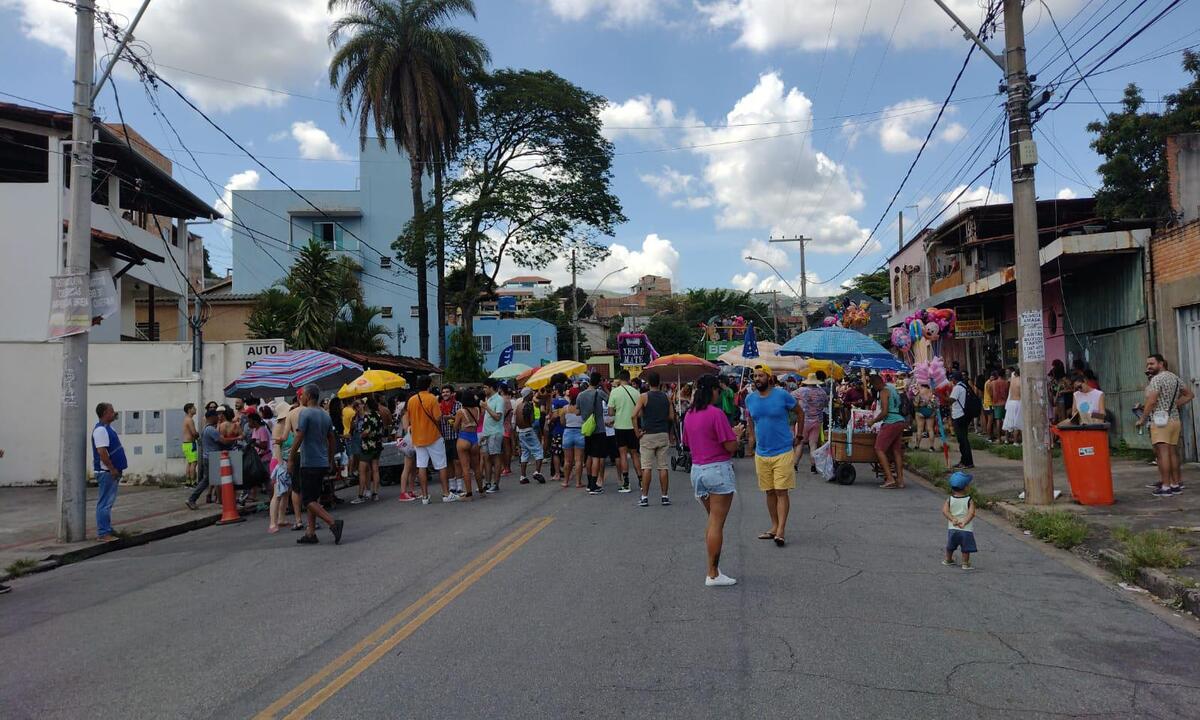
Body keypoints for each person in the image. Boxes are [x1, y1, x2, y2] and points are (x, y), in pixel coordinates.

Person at [683, 375, 741, 587]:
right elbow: (730, 447)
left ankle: (714, 569)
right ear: (713, 391)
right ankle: (713, 573)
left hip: (697, 470)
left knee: (712, 521)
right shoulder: (716, 414)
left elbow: (687, 442)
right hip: (717, 469)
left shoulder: (689, 414)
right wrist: (737, 435)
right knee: (717, 523)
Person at [744, 364, 796, 548]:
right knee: (769, 491)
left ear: (769, 377)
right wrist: (751, 436)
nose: (757, 378)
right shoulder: (750, 398)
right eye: (754, 375)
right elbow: (750, 418)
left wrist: (800, 435)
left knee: (781, 491)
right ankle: (774, 526)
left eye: (760, 375)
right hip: (762, 452)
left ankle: (781, 530)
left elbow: (799, 411)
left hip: (782, 450)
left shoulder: (782, 395)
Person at [289, 384, 344, 545]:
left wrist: (291, 458)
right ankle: (310, 532)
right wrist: (331, 458)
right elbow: (331, 438)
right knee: (313, 497)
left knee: (307, 500)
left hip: (309, 461)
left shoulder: (305, 413)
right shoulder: (325, 414)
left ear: (308, 396)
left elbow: (299, 437)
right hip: (321, 461)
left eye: (303, 395)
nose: (301, 398)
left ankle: (333, 522)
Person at [1138, 354, 1194, 497]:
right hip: (1174, 420)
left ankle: (1165, 487)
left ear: (1161, 363)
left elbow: (1151, 401)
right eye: (1147, 364)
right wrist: (1174, 405)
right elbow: (1189, 395)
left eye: (1152, 363)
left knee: (1162, 455)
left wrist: (1143, 418)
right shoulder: (1174, 378)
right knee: (1172, 453)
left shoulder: (1157, 379)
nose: (1149, 367)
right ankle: (1176, 484)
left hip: (1160, 421)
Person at [409, 375, 456, 503]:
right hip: (433, 436)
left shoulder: (411, 400)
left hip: (417, 438)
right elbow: (437, 417)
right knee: (441, 465)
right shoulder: (431, 399)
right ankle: (446, 494)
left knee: (422, 466)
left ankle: (425, 497)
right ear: (429, 385)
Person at [632, 371, 676, 507]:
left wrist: (637, 432)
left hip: (648, 434)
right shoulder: (666, 397)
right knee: (663, 467)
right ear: (660, 382)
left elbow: (633, 415)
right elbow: (671, 417)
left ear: (648, 383)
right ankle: (664, 496)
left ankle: (644, 497)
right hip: (662, 434)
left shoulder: (643, 397)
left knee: (646, 467)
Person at [90, 403, 127, 542]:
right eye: (112, 411)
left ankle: (107, 529)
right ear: (105, 413)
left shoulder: (106, 428)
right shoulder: (100, 431)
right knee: (104, 503)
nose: (114, 413)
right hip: (106, 472)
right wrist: (112, 469)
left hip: (110, 471)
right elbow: (102, 452)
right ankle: (103, 533)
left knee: (107, 503)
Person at [187, 409, 230, 511]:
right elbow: (223, 441)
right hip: (212, 457)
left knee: (214, 480)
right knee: (208, 480)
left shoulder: (206, 428)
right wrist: (236, 438)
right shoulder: (211, 430)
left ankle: (221, 500)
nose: (218, 418)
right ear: (211, 417)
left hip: (209, 457)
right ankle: (191, 499)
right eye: (216, 416)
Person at [870, 373, 908, 488]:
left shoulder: (883, 391)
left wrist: (873, 421)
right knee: (896, 451)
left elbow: (885, 411)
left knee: (879, 448)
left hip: (891, 422)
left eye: (873, 386)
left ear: (877, 384)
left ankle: (890, 478)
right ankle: (900, 480)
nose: (874, 389)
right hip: (900, 420)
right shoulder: (892, 387)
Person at [608, 370, 643, 493]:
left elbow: (610, 412)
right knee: (635, 454)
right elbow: (640, 413)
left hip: (620, 426)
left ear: (619, 378)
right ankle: (641, 481)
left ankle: (626, 483)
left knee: (623, 454)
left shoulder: (614, 392)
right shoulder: (636, 392)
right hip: (632, 427)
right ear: (629, 379)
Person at [577, 372, 609, 494]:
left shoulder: (580, 395)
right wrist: (605, 387)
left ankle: (590, 482)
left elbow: (578, 412)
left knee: (589, 456)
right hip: (599, 428)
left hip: (587, 429)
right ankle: (594, 485)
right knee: (597, 457)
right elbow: (610, 401)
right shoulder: (599, 393)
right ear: (599, 381)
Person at [942, 471, 978, 570]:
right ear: (966, 487)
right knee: (966, 547)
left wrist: (952, 519)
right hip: (966, 529)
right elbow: (972, 513)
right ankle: (965, 563)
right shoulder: (969, 500)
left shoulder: (950, 499)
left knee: (950, 545)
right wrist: (965, 522)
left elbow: (945, 511)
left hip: (952, 528)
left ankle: (948, 559)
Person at [352, 397, 384, 504]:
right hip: (377, 444)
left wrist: (361, 435)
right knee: (375, 469)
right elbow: (381, 429)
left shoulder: (366, 417)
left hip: (366, 446)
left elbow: (365, 431)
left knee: (362, 471)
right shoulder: (378, 415)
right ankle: (375, 493)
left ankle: (361, 495)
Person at [513, 387, 547, 485]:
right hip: (528, 430)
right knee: (538, 451)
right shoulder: (529, 405)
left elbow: (515, 420)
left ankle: (523, 476)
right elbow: (531, 420)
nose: (533, 395)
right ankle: (537, 472)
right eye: (531, 393)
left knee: (525, 453)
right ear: (528, 395)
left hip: (521, 431)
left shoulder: (519, 405)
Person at [796, 373, 828, 474]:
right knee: (813, 444)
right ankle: (813, 467)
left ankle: (794, 465)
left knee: (800, 443)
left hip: (803, 421)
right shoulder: (822, 392)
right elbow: (825, 404)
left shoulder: (801, 391)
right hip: (817, 421)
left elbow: (789, 397)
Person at [455, 390, 484, 498]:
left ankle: (469, 493)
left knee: (465, 468)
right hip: (474, 439)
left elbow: (456, 426)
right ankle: (481, 490)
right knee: (476, 467)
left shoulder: (460, 412)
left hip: (463, 438)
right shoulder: (477, 409)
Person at [480, 379, 506, 494]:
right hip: (487, 433)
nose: (483, 389)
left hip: (495, 433)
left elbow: (497, 417)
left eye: (485, 387)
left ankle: (496, 484)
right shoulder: (488, 399)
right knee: (486, 458)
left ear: (491, 388)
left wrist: (486, 407)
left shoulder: (499, 400)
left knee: (495, 457)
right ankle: (488, 483)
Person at [560, 387, 586, 489]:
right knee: (579, 460)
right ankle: (578, 482)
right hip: (580, 432)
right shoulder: (582, 408)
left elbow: (562, 422)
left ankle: (566, 481)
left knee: (567, 460)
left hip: (568, 432)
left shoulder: (565, 408)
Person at [949, 372, 975, 470]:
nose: (951, 381)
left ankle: (967, 462)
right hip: (964, 415)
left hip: (959, 416)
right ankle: (965, 461)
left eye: (952, 379)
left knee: (962, 440)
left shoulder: (957, 388)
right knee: (963, 439)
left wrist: (939, 395)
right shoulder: (964, 386)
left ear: (955, 379)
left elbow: (951, 400)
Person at [439, 386, 463, 494]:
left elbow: (462, 419)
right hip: (444, 438)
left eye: (447, 392)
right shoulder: (439, 406)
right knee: (448, 463)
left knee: (457, 462)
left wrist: (451, 418)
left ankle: (459, 486)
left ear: (452, 393)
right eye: (443, 392)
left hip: (456, 436)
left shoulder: (458, 405)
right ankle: (452, 486)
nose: (445, 394)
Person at [912, 384, 938, 452]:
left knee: (919, 429)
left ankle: (917, 446)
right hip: (931, 411)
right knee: (930, 429)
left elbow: (916, 403)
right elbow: (936, 403)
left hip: (920, 411)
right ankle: (931, 446)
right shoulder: (931, 392)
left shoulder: (919, 392)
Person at [1002, 368, 1022, 444]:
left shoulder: (1011, 381)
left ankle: (1007, 439)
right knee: (1018, 422)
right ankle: (1015, 441)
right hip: (1018, 402)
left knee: (1009, 422)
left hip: (1010, 402)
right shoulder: (1020, 381)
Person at [182, 403, 199, 487]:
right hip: (190, 444)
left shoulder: (186, 419)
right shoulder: (190, 420)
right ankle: (193, 482)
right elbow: (194, 433)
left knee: (189, 463)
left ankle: (188, 481)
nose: (195, 409)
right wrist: (199, 435)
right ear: (189, 410)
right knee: (194, 463)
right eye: (193, 408)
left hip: (186, 444)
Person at [989, 369, 1009, 443]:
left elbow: (991, 394)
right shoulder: (1006, 383)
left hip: (996, 403)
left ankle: (999, 438)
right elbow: (1007, 393)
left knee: (998, 420)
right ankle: (1006, 438)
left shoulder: (993, 383)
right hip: (1005, 403)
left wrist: (993, 401)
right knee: (1006, 421)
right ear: (1004, 375)